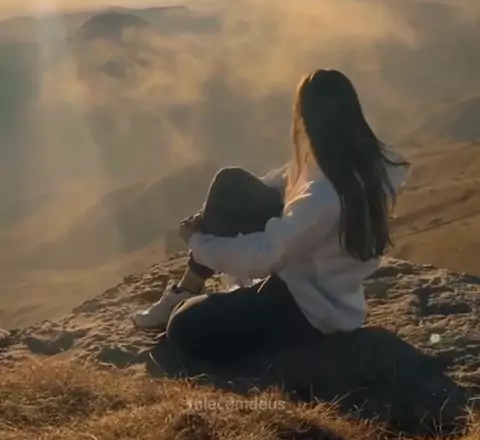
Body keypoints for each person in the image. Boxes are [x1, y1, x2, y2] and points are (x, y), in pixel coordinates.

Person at [134, 69, 409, 366]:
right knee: (232, 183)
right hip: (324, 290)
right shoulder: (369, 163)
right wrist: (219, 211)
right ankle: (188, 288)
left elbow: (266, 254)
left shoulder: (324, 197)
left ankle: (195, 299)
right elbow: (286, 183)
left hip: (305, 308)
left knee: (183, 326)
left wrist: (200, 243)